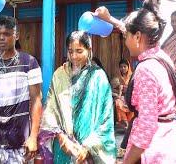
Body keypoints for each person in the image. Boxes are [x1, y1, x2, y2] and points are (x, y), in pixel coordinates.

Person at [95, 0, 176, 163]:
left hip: (154, 153)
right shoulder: (161, 56)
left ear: (137, 37)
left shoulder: (146, 70)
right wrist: (110, 19)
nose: (125, 41)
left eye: (126, 37)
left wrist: (126, 161)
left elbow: (146, 127)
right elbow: (130, 30)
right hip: (170, 145)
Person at [39, 31, 117, 163]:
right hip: (63, 148)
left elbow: (106, 118)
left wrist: (88, 147)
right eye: (70, 51)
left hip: (90, 149)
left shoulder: (98, 77)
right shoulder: (60, 75)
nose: (74, 56)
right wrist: (60, 136)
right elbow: (51, 109)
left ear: (89, 50)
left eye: (79, 51)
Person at [0, 16, 43, 163]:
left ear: (16, 35)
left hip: (20, 141)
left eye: (6, 34)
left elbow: (36, 100)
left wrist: (33, 137)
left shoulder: (29, 63)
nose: (1, 38)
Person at [111, 59, 134, 129]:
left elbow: (136, 88)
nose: (123, 68)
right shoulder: (117, 77)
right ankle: (125, 122)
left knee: (133, 103)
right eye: (121, 67)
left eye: (125, 66)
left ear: (128, 67)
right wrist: (118, 92)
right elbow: (111, 89)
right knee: (118, 102)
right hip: (120, 97)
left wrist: (128, 89)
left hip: (130, 97)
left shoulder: (132, 77)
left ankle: (130, 123)